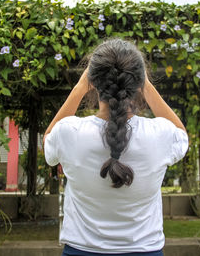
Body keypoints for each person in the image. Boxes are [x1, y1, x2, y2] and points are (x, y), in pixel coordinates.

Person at [43, 39, 189, 255]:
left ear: (92, 81)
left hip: (81, 250)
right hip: (146, 250)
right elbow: (181, 134)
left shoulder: (68, 133)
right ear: (138, 83)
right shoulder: (160, 134)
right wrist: (147, 86)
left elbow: (48, 138)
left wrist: (80, 87)